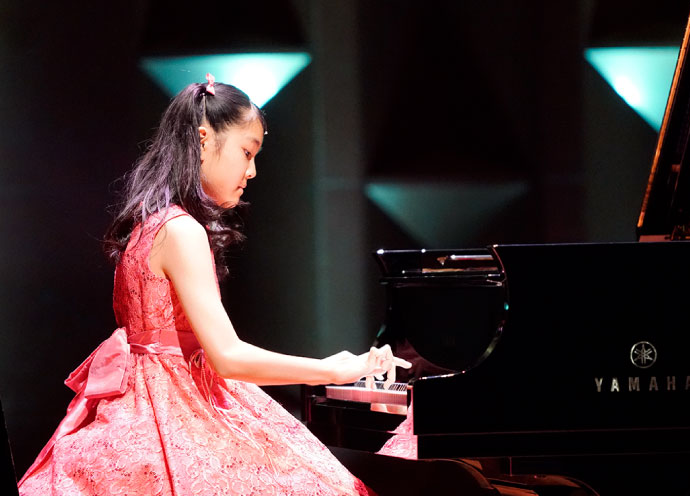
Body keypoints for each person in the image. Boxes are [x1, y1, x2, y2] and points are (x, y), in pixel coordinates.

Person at [17, 74, 410, 495]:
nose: (252, 171)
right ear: (204, 139)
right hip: (174, 409)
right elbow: (227, 357)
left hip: (138, 404)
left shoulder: (148, 226)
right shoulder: (182, 230)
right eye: (247, 152)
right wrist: (332, 369)